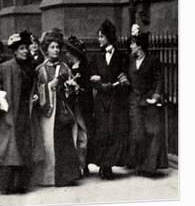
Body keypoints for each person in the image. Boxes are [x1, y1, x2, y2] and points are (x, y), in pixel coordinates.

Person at [0, 31, 43, 194]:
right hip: (10, 112)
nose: (25, 51)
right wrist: (0, 102)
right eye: (21, 49)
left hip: (26, 112)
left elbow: (34, 88)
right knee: (9, 147)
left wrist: (36, 96)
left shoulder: (30, 69)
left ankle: (21, 183)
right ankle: (8, 184)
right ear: (14, 51)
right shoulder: (5, 68)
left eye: (26, 48)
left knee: (23, 145)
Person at [33, 30, 81, 187]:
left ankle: (67, 177)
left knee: (64, 142)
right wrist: (48, 87)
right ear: (46, 49)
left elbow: (74, 88)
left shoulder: (65, 67)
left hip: (62, 109)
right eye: (53, 47)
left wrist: (71, 87)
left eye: (58, 47)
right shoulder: (40, 69)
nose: (56, 50)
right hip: (48, 112)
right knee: (49, 143)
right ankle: (49, 178)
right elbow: (35, 90)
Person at [89, 19, 130, 180]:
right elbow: (91, 76)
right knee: (101, 133)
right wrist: (100, 85)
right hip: (101, 101)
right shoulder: (96, 57)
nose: (99, 39)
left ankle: (109, 166)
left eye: (101, 36)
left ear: (108, 37)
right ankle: (102, 165)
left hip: (116, 101)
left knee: (113, 132)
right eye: (98, 36)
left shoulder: (121, 56)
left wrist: (114, 86)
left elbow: (124, 77)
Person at [127, 26, 168, 175]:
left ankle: (148, 167)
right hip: (134, 102)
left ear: (139, 46)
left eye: (132, 43)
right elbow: (127, 78)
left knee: (150, 133)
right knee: (137, 133)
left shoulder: (152, 60)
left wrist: (156, 95)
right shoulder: (130, 61)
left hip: (148, 100)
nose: (130, 46)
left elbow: (159, 79)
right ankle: (137, 164)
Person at [65, 35, 95, 177]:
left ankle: (83, 164)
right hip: (72, 105)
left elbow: (88, 89)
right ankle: (76, 164)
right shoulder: (69, 68)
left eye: (69, 52)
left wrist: (77, 87)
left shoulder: (84, 68)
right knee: (74, 135)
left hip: (83, 106)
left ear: (75, 53)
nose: (66, 54)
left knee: (83, 134)